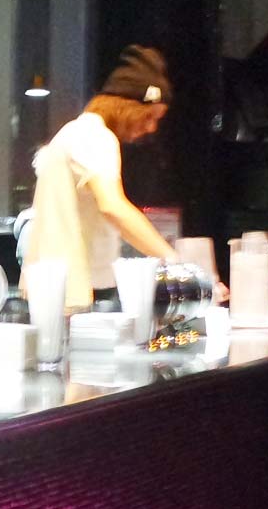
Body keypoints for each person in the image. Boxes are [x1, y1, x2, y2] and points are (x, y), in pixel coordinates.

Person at [21, 44, 183, 310]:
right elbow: (113, 207)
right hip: (72, 290)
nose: (151, 127)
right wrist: (174, 260)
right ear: (127, 107)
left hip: (51, 287)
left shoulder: (74, 132)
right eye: (148, 116)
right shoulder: (95, 137)